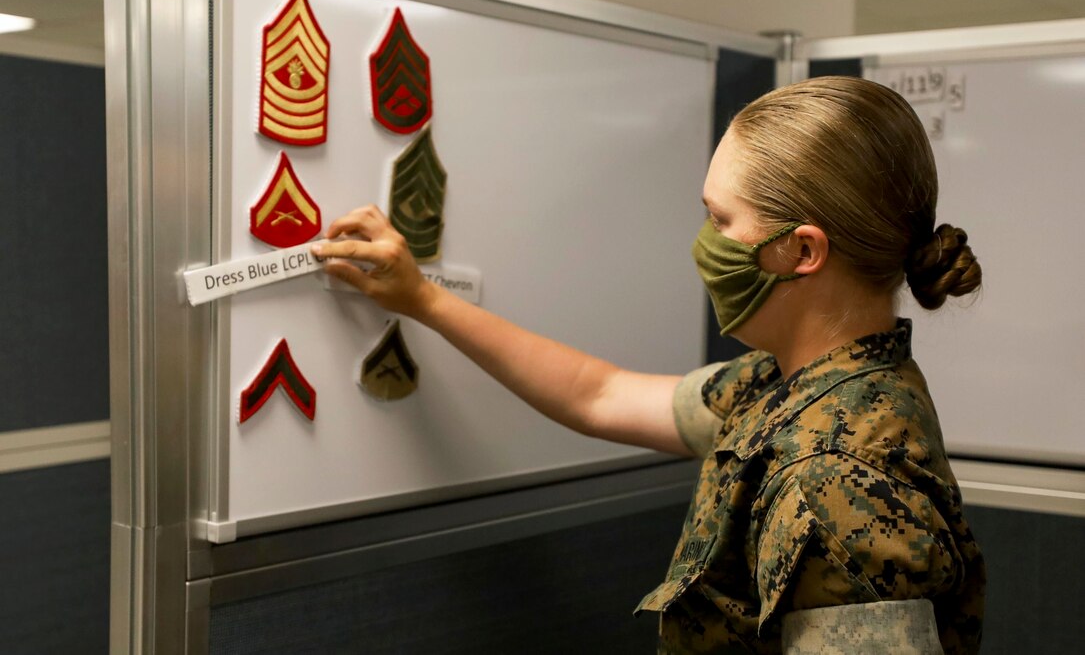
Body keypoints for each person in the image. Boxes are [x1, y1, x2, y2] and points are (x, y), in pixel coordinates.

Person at [311, 76, 985, 654]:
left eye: (719, 220)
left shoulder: (834, 476)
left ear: (799, 251)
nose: (704, 243)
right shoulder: (796, 386)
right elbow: (598, 395)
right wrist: (420, 297)